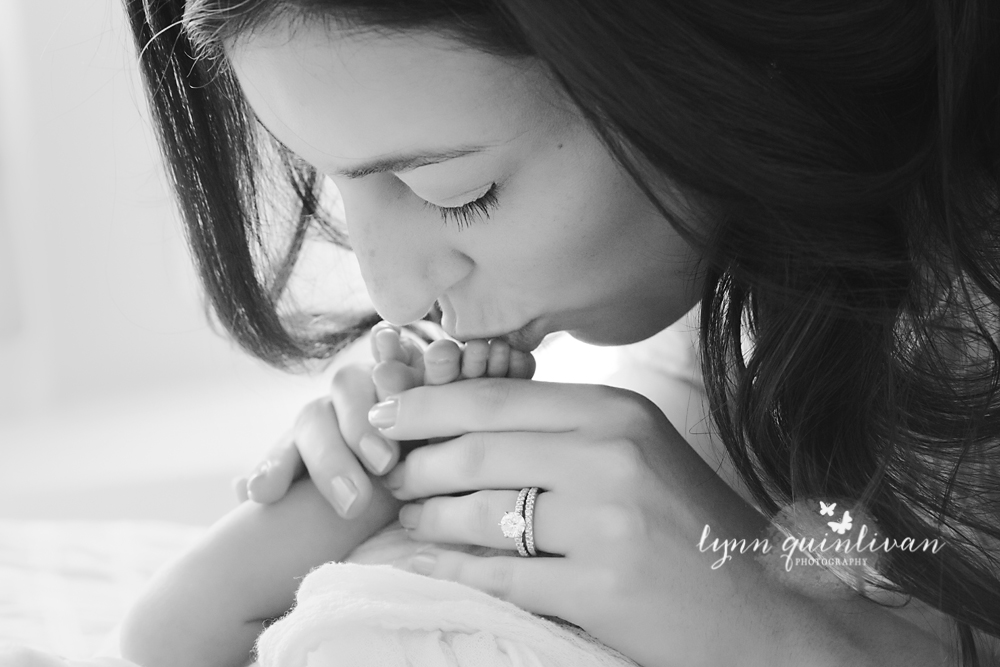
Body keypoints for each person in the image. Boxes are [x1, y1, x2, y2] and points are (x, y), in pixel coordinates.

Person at [121, 1, 1000, 665]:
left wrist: (770, 619)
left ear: (696, 64)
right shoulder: (745, 306)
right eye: (339, 181)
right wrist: (352, 498)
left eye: (454, 194)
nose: (392, 296)